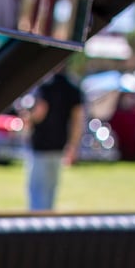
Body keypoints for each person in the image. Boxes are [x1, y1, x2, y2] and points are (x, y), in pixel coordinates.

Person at [21, 69, 84, 209]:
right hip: (59, 146)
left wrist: (27, 117)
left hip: (40, 146)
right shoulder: (72, 86)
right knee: (50, 192)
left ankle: (38, 226)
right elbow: (78, 120)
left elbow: (39, 112)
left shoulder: (44, 85)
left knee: (36, 192)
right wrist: (73, 145)